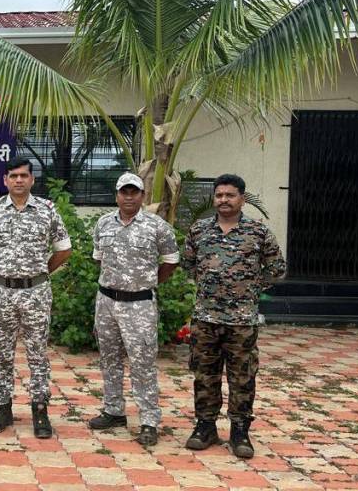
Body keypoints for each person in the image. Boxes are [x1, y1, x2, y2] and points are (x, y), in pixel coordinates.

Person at [182, 173, 285, 459]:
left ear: (242, 198)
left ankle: (240, 430)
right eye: (219, 195)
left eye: (230, 195)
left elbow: (276, 269)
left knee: (242, 376)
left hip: (242, 320)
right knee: (204, 374)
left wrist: (249, 288)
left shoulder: (258, 231)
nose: (223, 200)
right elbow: (188, 265)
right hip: (206, 318)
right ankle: (205, 426)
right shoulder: (199, 230)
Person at [0, 157, 72, 436]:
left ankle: (40, 411)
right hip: (2, 291)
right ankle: (2, 408)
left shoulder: (47, 210)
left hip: (36, 293)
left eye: (24, 176)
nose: (19, 180)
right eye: (13, 176)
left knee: (37, 354)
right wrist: (3, 270)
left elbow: (64, 249)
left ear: (32, 180)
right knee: (3, 354)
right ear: (5, 180)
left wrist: (41, 272)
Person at [87, 172, 179, 447]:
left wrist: (147, 283)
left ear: (142, 196)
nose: (128, 197)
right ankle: (113, 411)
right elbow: (99, 260)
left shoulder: (156, 226)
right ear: (116, 195)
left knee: (143, 364)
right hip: (106, 302)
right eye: (123, 192)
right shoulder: (103, 224)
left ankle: (149, 420)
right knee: (109, 359)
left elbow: (171, 261)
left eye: (134, 192)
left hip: (139, 304)